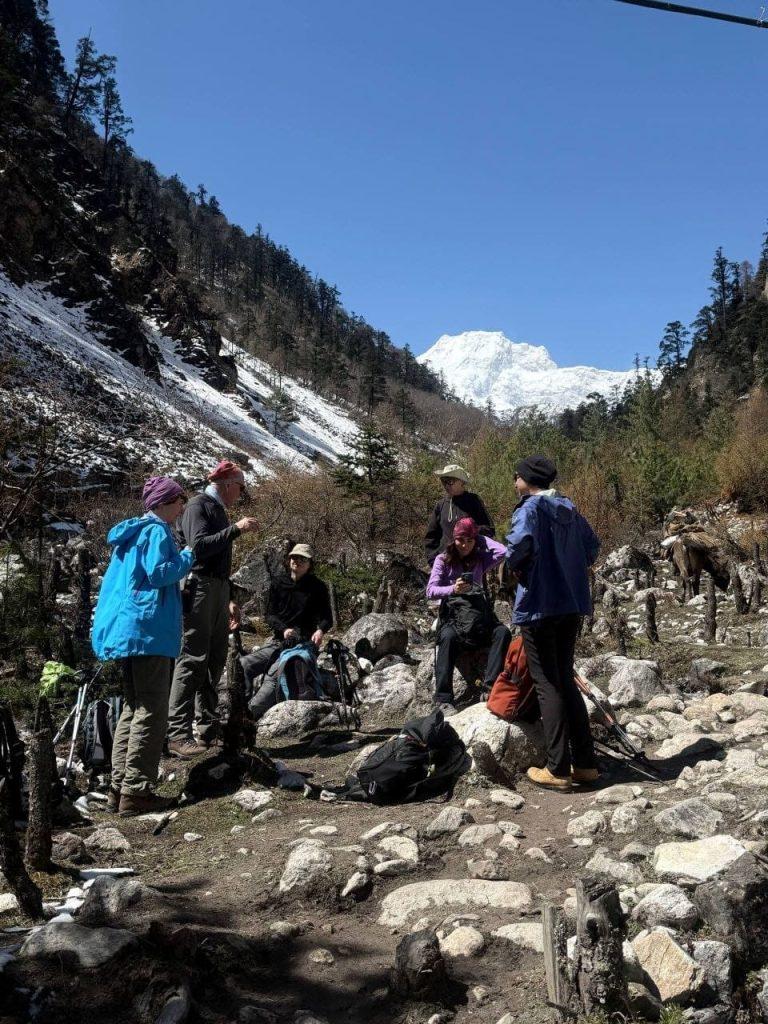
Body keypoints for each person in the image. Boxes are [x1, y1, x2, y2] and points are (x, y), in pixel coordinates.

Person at [91, 476, 194, 815]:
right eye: (178, 501)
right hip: (149, 630)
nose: (182, 507)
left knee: (133, 708)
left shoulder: (131, 534)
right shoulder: (156, 532)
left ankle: (119, 788)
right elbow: (159, 573)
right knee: (152, 709)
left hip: (128, 631)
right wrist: (188, 557)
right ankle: (137, 792)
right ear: (163, 503)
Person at [505, 455, 601, 792]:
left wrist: (519, 569)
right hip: (571, 604)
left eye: (516, 475)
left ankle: (558, 768)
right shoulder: (570, 509)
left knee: (547, 682)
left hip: (539, 604)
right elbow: (592, 548)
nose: (514, 479)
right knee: (564, 677)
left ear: (527, 480)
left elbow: (517, 547)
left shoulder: (529, 509)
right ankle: (586, 765)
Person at [166, 460, 259, 757]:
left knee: (215, 659)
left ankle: (207, 728)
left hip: (216, 587)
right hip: (199, 586)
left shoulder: (215, 508)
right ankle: (177, 732)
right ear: (228, 484)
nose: (241, 494)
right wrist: (236, 529)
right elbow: (199, 547)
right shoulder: (198, 505)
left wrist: (229, 596)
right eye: (240, 487)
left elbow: (217, 557)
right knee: (193, 657)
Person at [426, 517, 510, 711]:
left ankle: (490, 688)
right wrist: (452, 589)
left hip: (478, 615)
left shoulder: (480, 558)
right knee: (446, 638)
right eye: (460, 540)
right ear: (453, 539)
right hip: (454, 617)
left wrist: (480, 538)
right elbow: (431, 591)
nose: (464, 545)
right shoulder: (443, 560)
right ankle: (443, 699)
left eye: (469, 541)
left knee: (502, 633)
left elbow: (503, 552)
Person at [243, 543, 333, 719]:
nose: (296, 561)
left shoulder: (318, 587)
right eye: (293, 557)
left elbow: (327, 618)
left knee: (273, 677)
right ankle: (237, 707)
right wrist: (284, 629)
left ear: (309, 563)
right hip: (278, 642)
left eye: (302, 559)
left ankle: (249, 716)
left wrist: (320, 631)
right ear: (288, 560)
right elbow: (269, 615)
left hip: (302, 644)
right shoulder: (278, 583)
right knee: (244, 665)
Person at [424, 464, 495, 565]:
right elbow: (431, 536)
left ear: (461, 482)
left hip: (470, 563)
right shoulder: (441, 505)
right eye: (443, 481)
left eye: (450, 481)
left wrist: (471, 532)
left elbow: (489, 529)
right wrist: (433, 560)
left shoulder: (473, 501)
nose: (446, 485)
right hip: (446, 562)